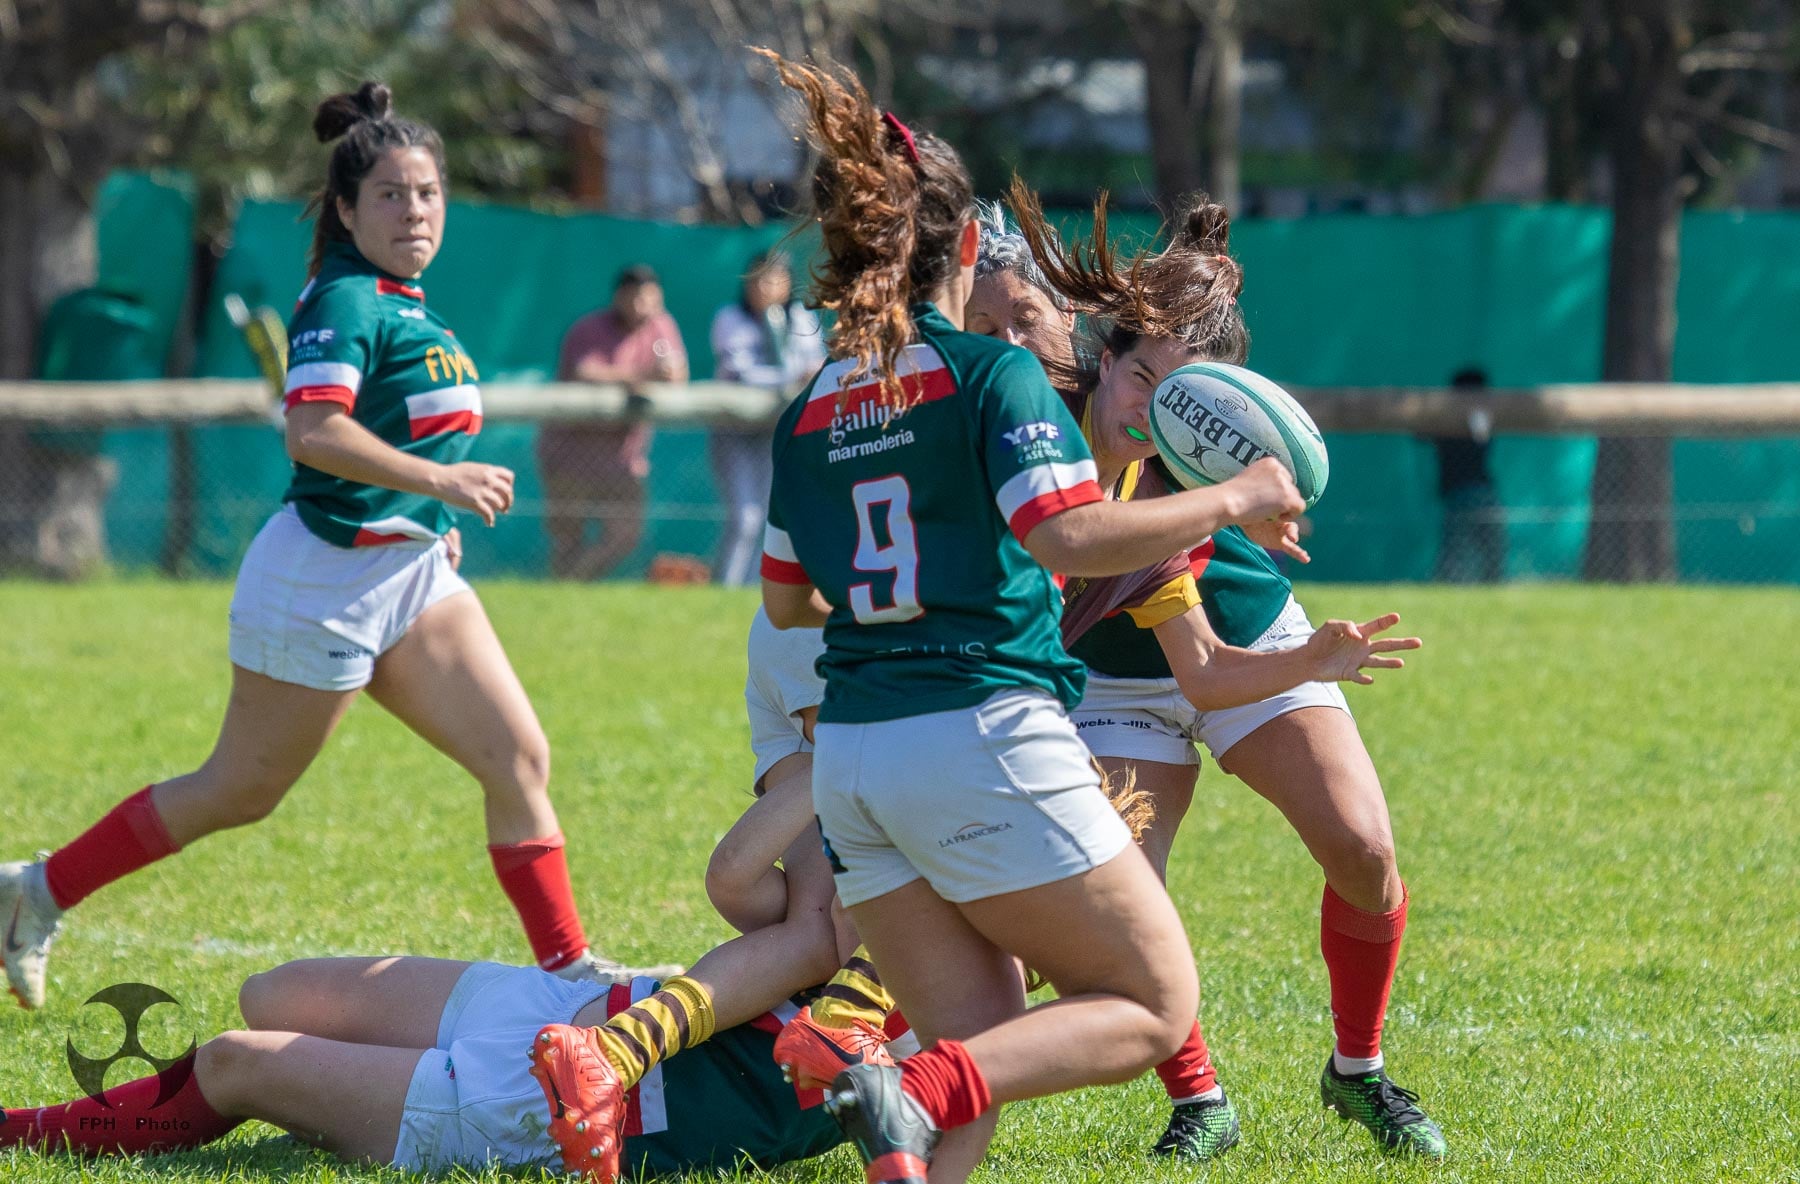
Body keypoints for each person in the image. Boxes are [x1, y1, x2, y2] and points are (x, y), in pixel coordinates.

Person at [718, 53, 1303, 1184]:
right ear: (972, 249)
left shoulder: (812, 406)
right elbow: (1066, 538)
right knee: (1148, 998)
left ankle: (918, 1101)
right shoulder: (995, 376)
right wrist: (1236, 495)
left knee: (979, 1049)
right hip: (977, 729)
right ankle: (905, 1083)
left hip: (853, 761)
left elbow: (787, 596)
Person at [0, 82, 642, 1012]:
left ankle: (571, 977)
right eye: (390, 193)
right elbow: (314, 433)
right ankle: (36, 891)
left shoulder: (406, 302)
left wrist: (434, 518)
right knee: (239, 789)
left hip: (408, 571)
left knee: (518, 759)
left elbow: (412, 439)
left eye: (427, 193)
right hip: (323, 579)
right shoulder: (344, 299)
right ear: (347, 210)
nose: (414, 210)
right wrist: (444, 487)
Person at [988, 181, 1446, 1158]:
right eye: (981, 316)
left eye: (1017, 312)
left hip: (1239, 631)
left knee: (1364, 846)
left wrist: (1307, 629)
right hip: (1110, 671)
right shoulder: (1018, 413)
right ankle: (1201, 1099)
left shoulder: (1182, 420)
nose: (1002, 333)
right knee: (1104, 921)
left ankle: (1356, 1069)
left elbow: (1210, 643)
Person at [0, 956, 845, 1178]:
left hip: (570, 1105)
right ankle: (355, 1094)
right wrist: (807, 768)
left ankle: (18, 1132)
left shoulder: (945, 1005)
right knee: (273, 993)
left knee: (233, 1064)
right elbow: (738, 883)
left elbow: (806, 937)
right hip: (571, 1002)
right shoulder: (898, 848)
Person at [539, 265, 688, 580]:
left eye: (649, 297)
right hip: (571, 454)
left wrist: (667, 375)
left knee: (625, 536)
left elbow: (677, 374)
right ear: (619, 296)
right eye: (634, 297)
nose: (641, 306)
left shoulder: (661, 326)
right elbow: (586, 373)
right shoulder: (588, 328)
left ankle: (572, 584)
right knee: (567, 537)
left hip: (624, 458)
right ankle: (561, 597)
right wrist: (640, 377)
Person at [708, 252, 827, 586]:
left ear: (788, 284)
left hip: (779, 429)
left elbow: (816, 362)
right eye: (758, 278)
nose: (765, 287)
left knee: (771, 518)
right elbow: (741, 373)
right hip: (735, 428)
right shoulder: (730, 317)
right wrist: (793, 376)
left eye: (774, 278)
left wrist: (802, 373)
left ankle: (754, 591)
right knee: (745, 517)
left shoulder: (800, 318)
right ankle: (725, 590)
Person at [1431, 366, 1504, 582]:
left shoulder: (1481, 416)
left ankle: (1491, 587)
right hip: (1460, 492)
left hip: (1477, 490)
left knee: (1490, 551)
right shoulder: (1444, 418)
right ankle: (1451, 586)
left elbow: (1480, 439)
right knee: (1456, 554)